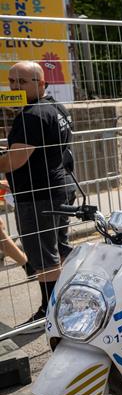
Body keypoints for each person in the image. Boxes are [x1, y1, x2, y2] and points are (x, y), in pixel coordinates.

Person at [0, 61, 76, 322]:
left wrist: (3, 163)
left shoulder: (32, 115)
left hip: (38, 195)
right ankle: (65, 302)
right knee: (58, 249)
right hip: (57, 187)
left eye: (22, 81)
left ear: (41, 83)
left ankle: (51, 311)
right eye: (11, 81)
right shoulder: (56, 107)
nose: (14, 86)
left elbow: (14, 160)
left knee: (44, 257)